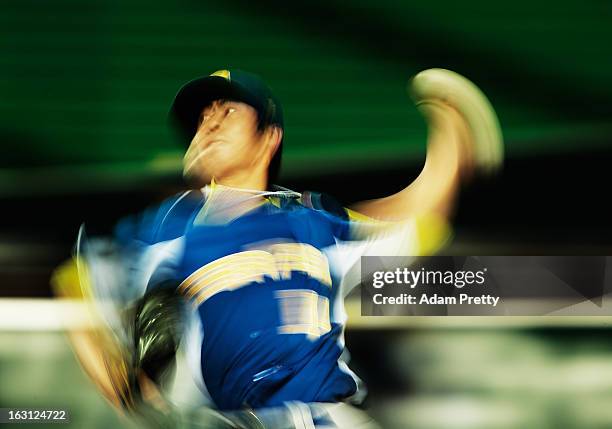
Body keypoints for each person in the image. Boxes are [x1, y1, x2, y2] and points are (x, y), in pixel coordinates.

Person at [53, 68, 502, 428]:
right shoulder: (167, 228)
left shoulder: (310, 220)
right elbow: (75, 282)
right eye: (202, 118)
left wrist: (449, 139)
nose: (208, 124)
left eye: (227, 113)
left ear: (269, 137)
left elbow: (414, 222)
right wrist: (127, 388)